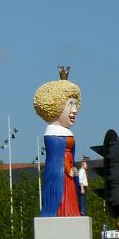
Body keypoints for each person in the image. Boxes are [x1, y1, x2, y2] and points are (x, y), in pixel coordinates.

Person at [33, 77, 82, 217]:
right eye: (70, 104)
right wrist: (67, 168)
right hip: (61, 173)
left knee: (71, 193)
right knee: (63, 194)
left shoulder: (66, 132)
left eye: (76, 104)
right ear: (57, 106)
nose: (75, 110)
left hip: (69, 172)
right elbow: (57, 157)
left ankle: (72, 212)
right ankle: (61, 212)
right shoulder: (52, 133)